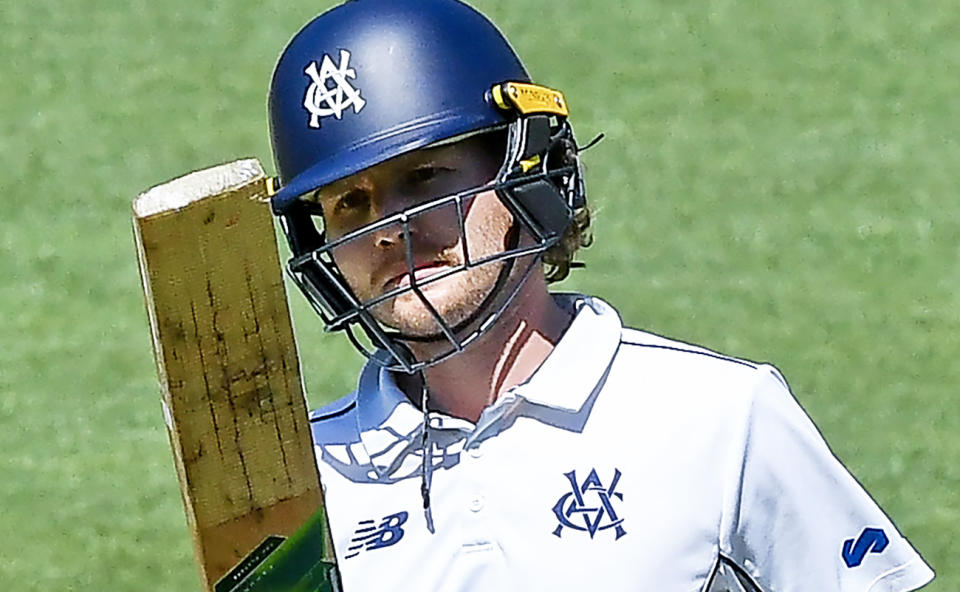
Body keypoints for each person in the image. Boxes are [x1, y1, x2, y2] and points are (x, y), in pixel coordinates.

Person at [265, 0, 934, 590]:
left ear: (528, 171)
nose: (391, 229)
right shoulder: (300, 483)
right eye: (351, 202)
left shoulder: (722, 421)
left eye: (426, 176)